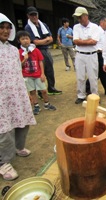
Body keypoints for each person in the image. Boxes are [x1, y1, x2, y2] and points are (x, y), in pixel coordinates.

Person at [0, 13, 36, 181]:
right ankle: (3, 162)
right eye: (2, 27)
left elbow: (17, 72)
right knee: (5, 130)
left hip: (16, 92)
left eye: (8, 28)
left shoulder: (14, 50)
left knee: (23, 121)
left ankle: (19, 147)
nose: (5, 31)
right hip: (1, 97)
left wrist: (25, 92)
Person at [17, 30, 57, 115]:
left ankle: (47, 104)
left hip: (38, 74)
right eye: (22, 39)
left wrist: (42, 74)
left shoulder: (36, 50)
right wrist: (24, 59)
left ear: (30, 39)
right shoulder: (19, 52)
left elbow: (40, 61)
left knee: (44, 90)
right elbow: (19, 66)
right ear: (19, 41)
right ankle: (36, 106)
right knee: (32, 92)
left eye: (27, 38)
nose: (25, 41)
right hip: (27, 75)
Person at [25, 6, 62, 95]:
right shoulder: (28, 27)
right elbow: (35, 42)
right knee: (39, 71)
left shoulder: (43, 25)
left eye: (35, 14)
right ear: (28, 16)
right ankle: (41, 92)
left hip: (45, 50)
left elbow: (51, 39)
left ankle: (51, 87)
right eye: (32, 15)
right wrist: (46, 40)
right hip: (35, 51)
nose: (34, 17)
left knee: (49, 69)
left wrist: (42, 41)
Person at [72, 6, 100, 104]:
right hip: (80, 55)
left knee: (93, 77)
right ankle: (81, 95)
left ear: (86, 16)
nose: (79, 19)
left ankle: (95, 95)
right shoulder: (76, 27)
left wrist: (81, 41)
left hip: (91, 55)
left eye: (80, 17)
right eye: (78, 17)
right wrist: (87, 41)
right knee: (80, 76)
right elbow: (75, 41)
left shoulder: (95, 27)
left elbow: (94, 42)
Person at [85, 16, 106, 96]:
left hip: (103, 54)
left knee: (102, 72)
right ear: (101, 22)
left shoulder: (104, 32)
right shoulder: (97, 31)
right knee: (98, 73)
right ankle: (88, 87)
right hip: (97, 53)